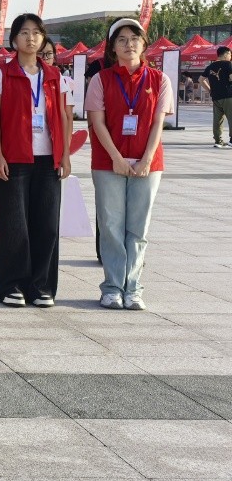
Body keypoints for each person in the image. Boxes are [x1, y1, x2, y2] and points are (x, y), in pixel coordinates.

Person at [86, 18, 173, 310]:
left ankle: (133, 288)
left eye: (134, 39)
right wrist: (116, 158)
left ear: (144, 44)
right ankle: (112, 287)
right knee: (111, 226)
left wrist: (147, 159)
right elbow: (97, 123)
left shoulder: (159, 80)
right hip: (108, 162)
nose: (129, 44)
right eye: (121, 40)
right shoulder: (101, 79)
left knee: (138, 228)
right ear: (112, 47)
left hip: (148, 163)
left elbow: (158, 123)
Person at [0, 13, 71, 307]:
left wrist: (64, 155)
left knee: (47, 225)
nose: (31, 38)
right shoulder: (3, 74)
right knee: (14, 226)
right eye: (24, 33)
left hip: (48, 160)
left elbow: (63, 116)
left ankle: (41, 286)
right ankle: (11, 285)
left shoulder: (54, 76)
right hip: (15, 158)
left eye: (36, 33)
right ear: (14, 40)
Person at [201, 46, 232, 148]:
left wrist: (210, 90)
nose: (230, 56)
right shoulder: (229, 64)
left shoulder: (211, 66)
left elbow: (201, 79)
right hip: (228, 96)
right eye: (230, 54)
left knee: (217, 120)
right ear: (226, 54)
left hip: (216, 96)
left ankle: (218, 141)